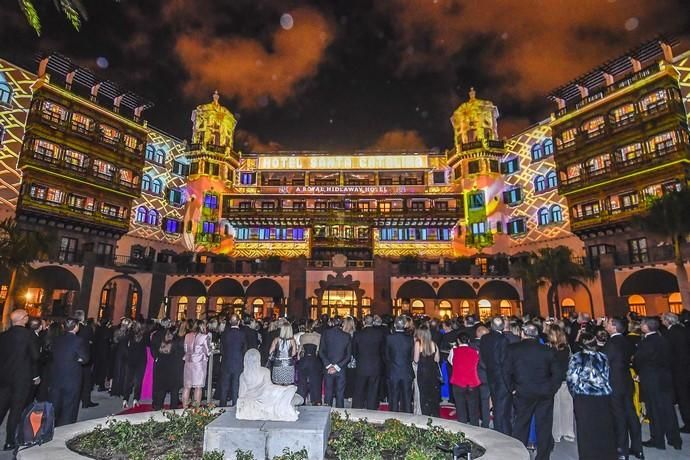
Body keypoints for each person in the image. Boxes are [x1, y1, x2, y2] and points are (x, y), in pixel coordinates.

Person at [505, 323, 560, 460]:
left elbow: (506, 372)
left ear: (523, 333)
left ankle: (518, 455)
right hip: (544, 392)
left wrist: (511, 388)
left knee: (521, 424)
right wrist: (552, 388)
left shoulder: (513, 349)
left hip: (523, 391)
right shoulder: (547, 350)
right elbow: (557, 373)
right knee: (544, 426)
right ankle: (543, 456)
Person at [633, 317, 682, 451]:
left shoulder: (645, 342)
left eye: (642, 324)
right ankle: (675, 439)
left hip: (651, 379)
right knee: (668, 409)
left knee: (654, 410)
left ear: (646, 327)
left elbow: (639, 360)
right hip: (665, 378)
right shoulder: (663, 339)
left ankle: (658, 439)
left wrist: (639, 373)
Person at [566, 332, 617, 460]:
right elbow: (607, 375)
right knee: (604, 426)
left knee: (585, 428)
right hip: (602, 396)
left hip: (584, 396)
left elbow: (571, 379)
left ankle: (588, 455)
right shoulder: (603, 357)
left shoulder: (576, 358)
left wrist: (575, 392)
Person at [0, 309, 40, 450]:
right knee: (16, 410)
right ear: (23, 319)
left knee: (2, 407)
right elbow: (35, 356)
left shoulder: (4, 335)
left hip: (4, 377)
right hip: (21, 378)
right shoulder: (28, 336)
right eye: (27, 316)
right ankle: (9, 441)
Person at [603, 317, 643, 459]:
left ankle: (622, 449)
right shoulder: (627, 341)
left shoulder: (611, 344)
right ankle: (638, 448)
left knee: (619, 416)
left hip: (615, 382)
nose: (605, 324)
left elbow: (604, 362)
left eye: (607, 323)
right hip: (626, 380)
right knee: (631, 413)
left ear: (613, 327)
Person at [50, 318, 89, 427]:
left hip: (57, 375)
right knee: (69, 405)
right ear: (76, 327)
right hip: (72, 376)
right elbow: (85, 358)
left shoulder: (57, 339)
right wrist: (77, 359)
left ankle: (52, 426)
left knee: (55, 403)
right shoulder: (78, 340)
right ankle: (65, 429)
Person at [479, 316, 512, 434]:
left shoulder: (484, 338)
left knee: (497, 404)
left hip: (490, 375)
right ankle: (503, 433)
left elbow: (482, 358)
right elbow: (504, 362)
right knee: (503, 409)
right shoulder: (503, 340)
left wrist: (488, 368)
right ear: (502, 326)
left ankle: (499, 430)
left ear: (491, 326)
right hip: (501, 378)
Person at [661, 312, 690, 433]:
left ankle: (688, 423)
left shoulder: (670, 333)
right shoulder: (684, 330)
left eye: (663, 319)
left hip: (678, 369)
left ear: (668, 321)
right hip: (687, 366)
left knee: (683, 397)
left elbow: (667, 353)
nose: (662, 321)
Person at [352, 314, 385, 410]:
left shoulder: (358, 334)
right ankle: (372, 409)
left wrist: (359, 359)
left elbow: (354, 351)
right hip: (375, 365)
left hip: (362, 365)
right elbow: (382, 350)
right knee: (373, 391)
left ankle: (357, 410)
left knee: (359, 390)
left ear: (363, 322)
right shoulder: (379, 334)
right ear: (373, 322)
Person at [548, 324, 574, 443]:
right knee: (567, 406)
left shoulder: (550, 349)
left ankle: (556, 433)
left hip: (554, 380)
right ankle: (568, 431)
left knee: (556, 407)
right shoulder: (567, 348)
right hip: (566, 379)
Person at [449, 333, 481, 425]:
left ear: (458, 341)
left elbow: (451, 362)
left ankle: (463, 431)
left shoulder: (453, 351)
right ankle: (474, 430)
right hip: (472, 383)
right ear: (469, 341)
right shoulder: (475, 351)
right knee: (473, 411)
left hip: (458, 383)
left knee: (460, 409)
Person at [150, 320, 183, 410]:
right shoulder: (178, 340)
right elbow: (181, 353)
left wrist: (156, 358)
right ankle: (173, 407)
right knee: (174, 389)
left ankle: (158, 406)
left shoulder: (159, 337)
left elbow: (153, 347)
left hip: (161, 365)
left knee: (161, 388)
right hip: (173, 367)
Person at [319, 317, 351, 408]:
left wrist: (329, 365)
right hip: (341, 369)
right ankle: (339, 415)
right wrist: (337, 366)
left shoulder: (325, 333)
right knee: (340, 393)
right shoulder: (346, 336)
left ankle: (326, 413)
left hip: (328, 368)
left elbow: (321, 351)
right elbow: (348, 356)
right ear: (341, 324)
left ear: (331, 323)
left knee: (328, 392)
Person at [385, 316, 414, 413]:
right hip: (406, 371)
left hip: (393, 371)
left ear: (394, 325)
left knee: (393, 398)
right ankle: (409, 421)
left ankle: (393, 420)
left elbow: (386, 355)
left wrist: (391, 364)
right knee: (407, 398)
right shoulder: (410, 339)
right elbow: (412, 356)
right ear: (405, 325)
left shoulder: (389, 338)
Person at [218, 314, 247, 406]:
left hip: (226, 361)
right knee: (236, 384)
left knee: (224, 385)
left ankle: (222, 404)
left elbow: (221, 348)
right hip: (238, 361)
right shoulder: (242, 334)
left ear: (230, 322)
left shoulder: (224, 333)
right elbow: (245, 348)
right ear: (238, 322)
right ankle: (235, 403)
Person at [182, 320, 211, 407]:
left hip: (188, 362)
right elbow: (208, 352)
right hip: (199, 364)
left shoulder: (187, 335)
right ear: (202, 326)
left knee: (187, 386)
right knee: (198, 387)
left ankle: (184, 408)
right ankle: (196, 409)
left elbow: (185, 349)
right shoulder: (205, 337)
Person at [414, 325, 440, 417]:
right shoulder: (434, 344)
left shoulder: (418, 343)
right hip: (432, 372)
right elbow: (437, 360)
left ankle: (426, 415)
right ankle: (435, 414)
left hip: (422, 372)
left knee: (423, 395)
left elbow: (416, 360)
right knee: (433, 394)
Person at [121, 320, 148, 409]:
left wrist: (128, 354)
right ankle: (136, 399)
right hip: (141, 360)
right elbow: (149, 345)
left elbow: (124, 346)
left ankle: (125, 399)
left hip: (130, 359)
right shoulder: (144, 335)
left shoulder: (129, 335)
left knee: (127, 380)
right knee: (138, 381)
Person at [297, 320, 322, 405]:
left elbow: (300, 350)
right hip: (314, 359)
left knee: (302, 382)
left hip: (304, 360)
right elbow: (318, 350)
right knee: (315, 381)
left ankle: (301, 400)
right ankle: (315, 400)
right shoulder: (318, 336)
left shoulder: (303, 336)